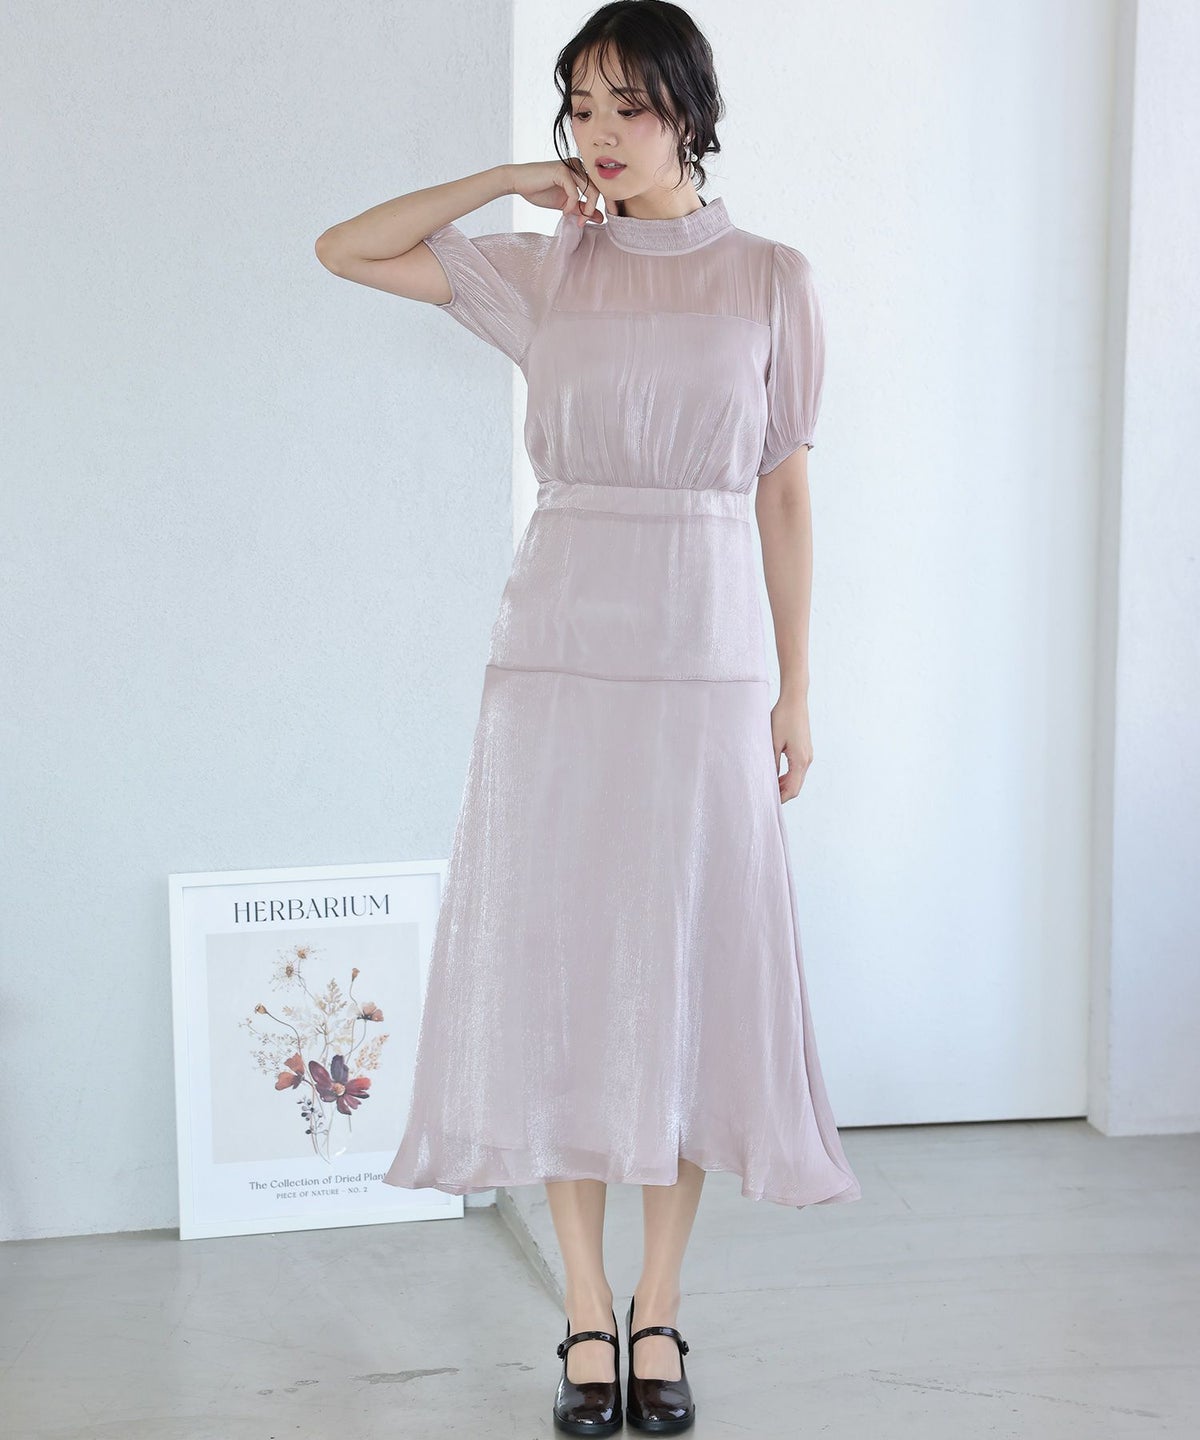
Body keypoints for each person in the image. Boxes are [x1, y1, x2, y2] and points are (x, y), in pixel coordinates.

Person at [315, 2, 861, 1432]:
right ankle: (580, 1306)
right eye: (581, 106)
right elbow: (345, 248)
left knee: (687, 975)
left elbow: (784, 492)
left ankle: (660, 1308)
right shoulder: (548, 267)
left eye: (632, 104)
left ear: (692, 110)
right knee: (560, 971)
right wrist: (511, 179)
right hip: (557, 656)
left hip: (707, 659)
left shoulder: (772, 278)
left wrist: (799, 686)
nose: (602, 134)